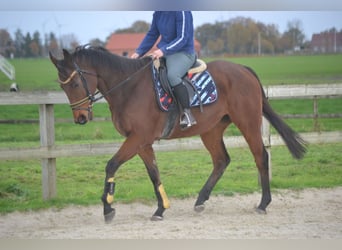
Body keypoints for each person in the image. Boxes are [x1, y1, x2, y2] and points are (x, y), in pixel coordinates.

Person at [131, 11, 197, 129]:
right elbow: (152, 34)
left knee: (172, 75)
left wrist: (163, 50)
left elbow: (183, 38)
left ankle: (187, 114)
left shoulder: (181, 11)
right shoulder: (158, 12)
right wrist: (138, 52)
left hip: (183, 53)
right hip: (164, 52)